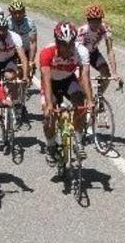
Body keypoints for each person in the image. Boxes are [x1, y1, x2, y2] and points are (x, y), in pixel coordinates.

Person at [39, 21, 93, 163]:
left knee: (80, 103)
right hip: (51, 82)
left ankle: (78, 140)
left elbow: (85, 77)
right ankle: (51, 145)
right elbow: (46, 79)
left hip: (69, 79)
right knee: (49, 115)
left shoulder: (81, 51)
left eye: (71, 44)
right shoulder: (47, 52)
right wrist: (50, 104)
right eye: (64, 44)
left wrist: (91, 101)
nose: (68, 48)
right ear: (57, 42)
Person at [0, 16, 29, 143]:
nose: (1, 32)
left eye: (3, 29)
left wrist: (25, 76)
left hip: (9, 60)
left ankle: (12, 102)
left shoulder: (14, 37)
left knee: (11, 77)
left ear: (7, 28)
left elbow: (23, 58)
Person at [77, 4, 122, 96]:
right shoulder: (82, 31)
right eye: (93, 21)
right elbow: (77, 52)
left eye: (98, 21)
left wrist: (114, 72)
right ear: (88, 21)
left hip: (93, 53)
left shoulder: (105, 28)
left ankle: (98, 96)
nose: (96, 24)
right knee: (81, 78)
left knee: (106, 74)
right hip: (80, 55)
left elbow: (110, 50)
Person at [7, 1, 38, 79]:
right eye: (15, 13)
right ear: (11, 12)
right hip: (12, 50)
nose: (17, 15)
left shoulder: (30, 23)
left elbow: (33, 42)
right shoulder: (7, 22)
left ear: (24, 11)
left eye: (20, 12)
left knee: (29, 68)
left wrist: (31, 60)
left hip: (25, 48)